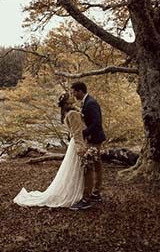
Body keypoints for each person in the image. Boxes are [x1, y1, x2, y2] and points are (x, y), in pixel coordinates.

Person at [13, 93, 87, 208]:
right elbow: (77, 133)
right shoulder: (73, 114)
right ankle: (74, 193)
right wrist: (80, 147)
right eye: (70, 96)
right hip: (78, 143)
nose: (73, 97)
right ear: (67, 102)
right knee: (76, 169)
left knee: (74, 169)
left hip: (74, 143)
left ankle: (76, 191)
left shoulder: (68, 113)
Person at [69, 81, 106, 211]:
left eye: (73, 92)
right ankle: (96, 193)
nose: (73, 95)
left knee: (89, 167)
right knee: (96, 165)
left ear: (80, 91)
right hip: (93, 139)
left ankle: (87, 198)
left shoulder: (91, 103)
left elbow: (97, 124)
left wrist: (82, 133)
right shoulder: (86, 102)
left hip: (94, 140)